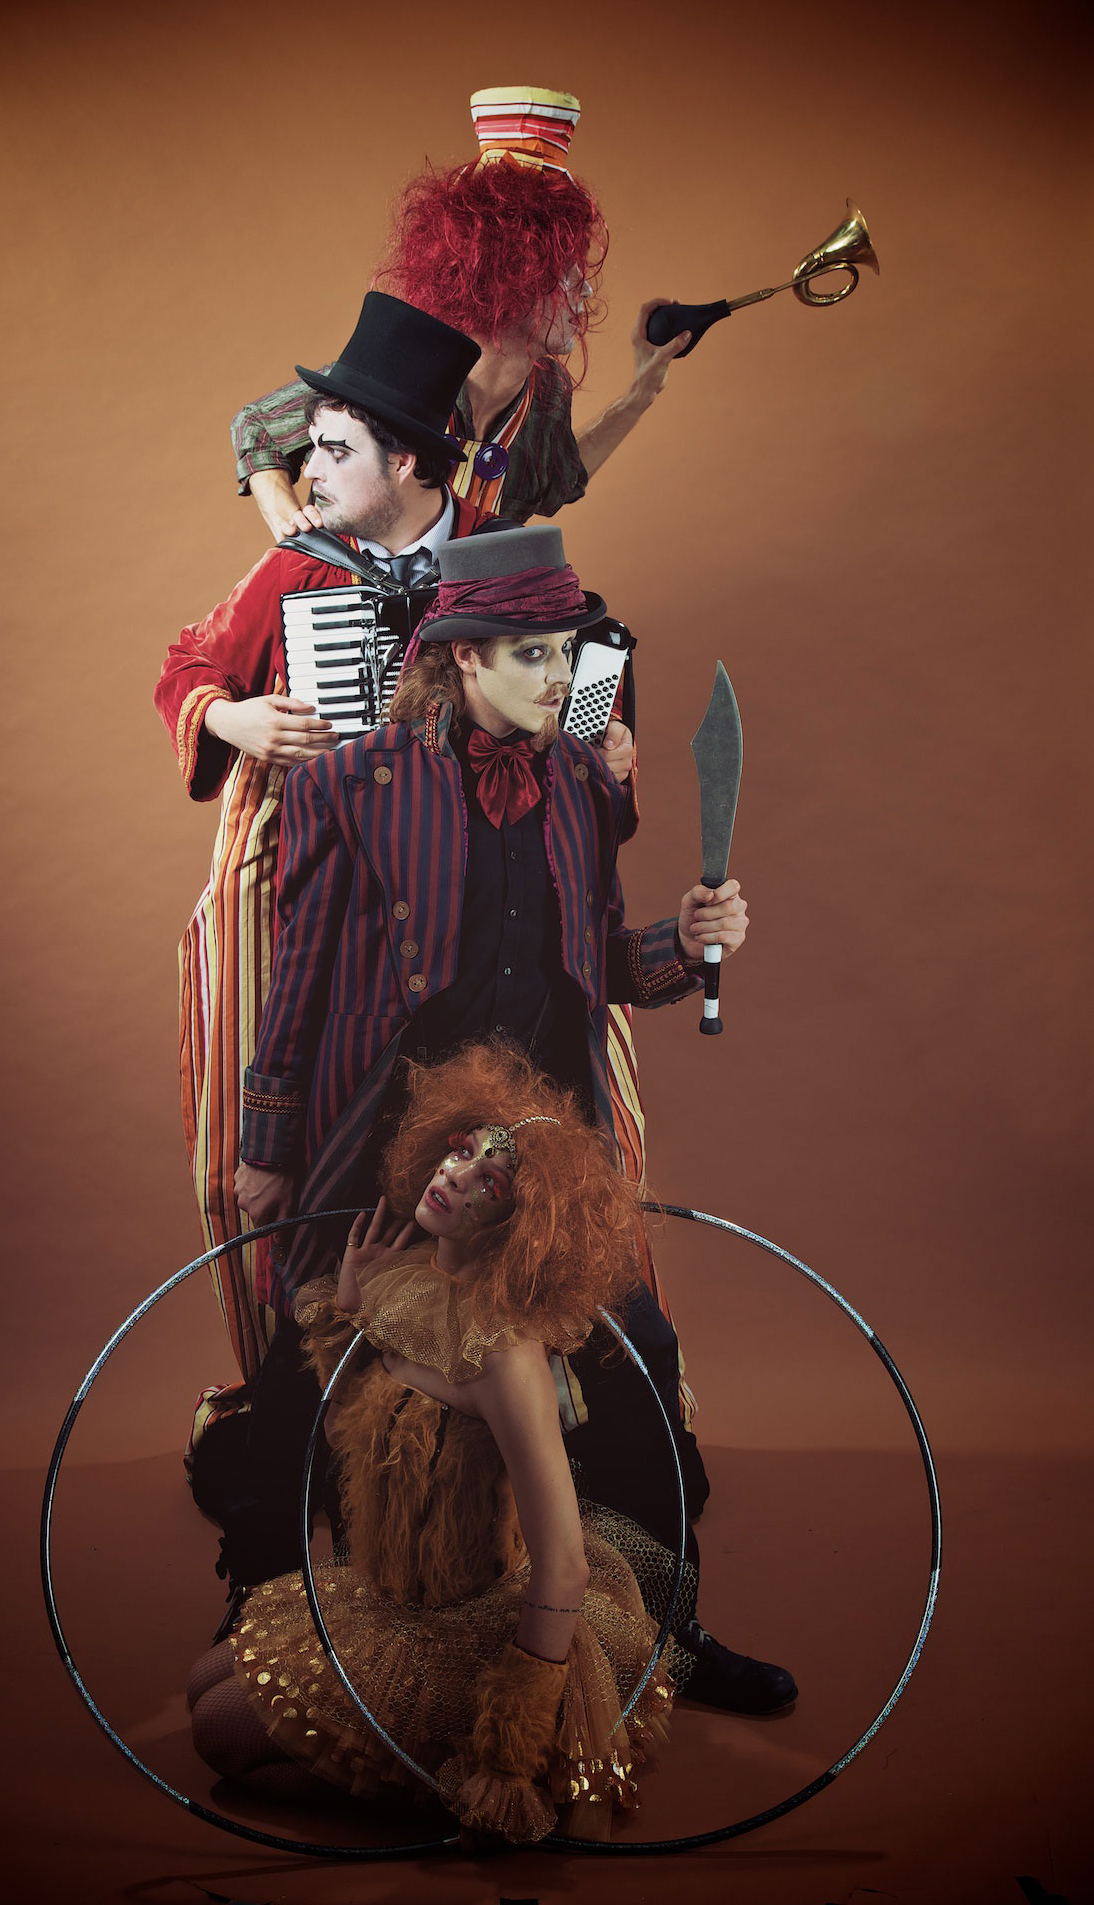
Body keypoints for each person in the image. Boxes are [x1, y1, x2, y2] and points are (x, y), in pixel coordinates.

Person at [229, 524, 796, 1714]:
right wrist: (267, 1146)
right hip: (384, 1149)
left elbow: (594, 962)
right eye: (532, 653)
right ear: (462, 657)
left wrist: (686, 948)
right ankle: (267, 1624)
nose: (560, 677)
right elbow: (300, 981)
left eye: (566, 651)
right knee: (309, 1381)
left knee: (638, 1365)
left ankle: (667, 1633)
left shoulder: (581, 785)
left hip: (537, 1154)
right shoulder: (349, 788)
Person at [155, 295, 636, 1388]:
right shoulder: (298, 566)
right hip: (336, 864)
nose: (309, 474)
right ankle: (311, 1379)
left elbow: (576, 695)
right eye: (311, 449)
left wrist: (607, 751)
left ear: (409, 460)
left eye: (334, 451)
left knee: (559, 1090)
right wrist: (235, 719)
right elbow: (187, 667)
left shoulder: (498, 555)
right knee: (305, 1097)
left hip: (480, 880)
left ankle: (555, 1378)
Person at [187, 1044, 695, 1845]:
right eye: (461, 1152)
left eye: (489, 1181)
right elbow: (359, 1436)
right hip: (390, 1599)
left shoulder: (506, 1352)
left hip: (468, 1629)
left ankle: (443, 1785)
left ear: (521, 1223)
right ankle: (401, 1766)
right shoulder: (410, 1277)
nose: (455, 1176)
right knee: (205, 1683)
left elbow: (564, 1562)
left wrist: (510, 1746)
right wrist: (352, 1304)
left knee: (219, 1734)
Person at [231, 86, 691, 537]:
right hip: (355, 584)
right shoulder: (407, 363)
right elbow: (258, 427)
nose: (586, 290)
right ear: (513, 279)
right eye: (566, 276)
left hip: (470, 589)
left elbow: (558, 478)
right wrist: (294, 528)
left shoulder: (546, 391)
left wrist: (641, 392)